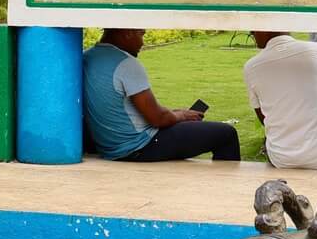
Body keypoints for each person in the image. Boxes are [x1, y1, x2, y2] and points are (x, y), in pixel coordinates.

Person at [82, 28, 240, 162]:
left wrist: (176, 114)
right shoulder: (126, 64)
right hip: (138, 146)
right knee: (226, 134)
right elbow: (158, 119)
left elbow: (124, 107)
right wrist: (181, 116)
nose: (142, 43)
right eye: (141, 34)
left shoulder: (87, 57)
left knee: (180, 121)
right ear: (127, 33)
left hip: (107, 144)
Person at [243, 31, 317, 169]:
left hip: (281, 158)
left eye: (252, 32)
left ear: (263, 30)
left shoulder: (251, 67)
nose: (252, 36)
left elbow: (262, 117)